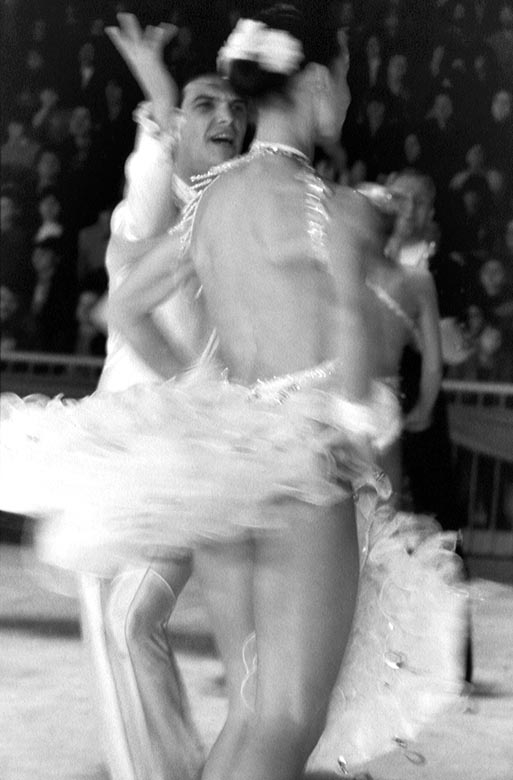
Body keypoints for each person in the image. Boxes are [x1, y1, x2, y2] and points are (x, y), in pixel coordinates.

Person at [1, 7, 466, 780]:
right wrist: (362, 439)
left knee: (251, 710)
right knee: (285, 721)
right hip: (304, 473)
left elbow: (124, 304)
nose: (349, 97)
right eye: (345, 80)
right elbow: (352, 354)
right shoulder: (335, 209)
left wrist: (204, 395)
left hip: (229, 468)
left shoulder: (211, 202)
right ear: (314, 82)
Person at [77, 13, 249, 780]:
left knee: (130, 618)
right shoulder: (152, 201)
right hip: (119, 445)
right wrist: (159, 87)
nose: (228, 116)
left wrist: (208, 393)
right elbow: (158, 173)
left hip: (186, 452)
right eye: (207, 104)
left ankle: (167, 770)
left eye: (235, 107)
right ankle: (152, 766)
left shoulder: (228, 208)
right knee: (113, 623)